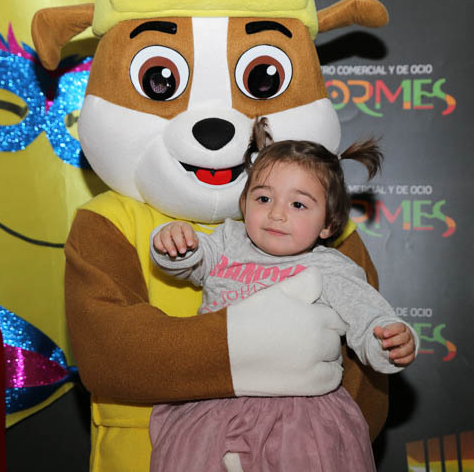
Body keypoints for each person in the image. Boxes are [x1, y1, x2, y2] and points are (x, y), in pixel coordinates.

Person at [148, 121, 418, 472]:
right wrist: (174, 243)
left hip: (300, 413)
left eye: (298, 205)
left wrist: (387, 340)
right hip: (215, 399)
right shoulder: (227, 242)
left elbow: (367, 318)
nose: (276, 213)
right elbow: (191, 260)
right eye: (263, 198)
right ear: (244, 203)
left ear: (328, 224)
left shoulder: (330, 267)